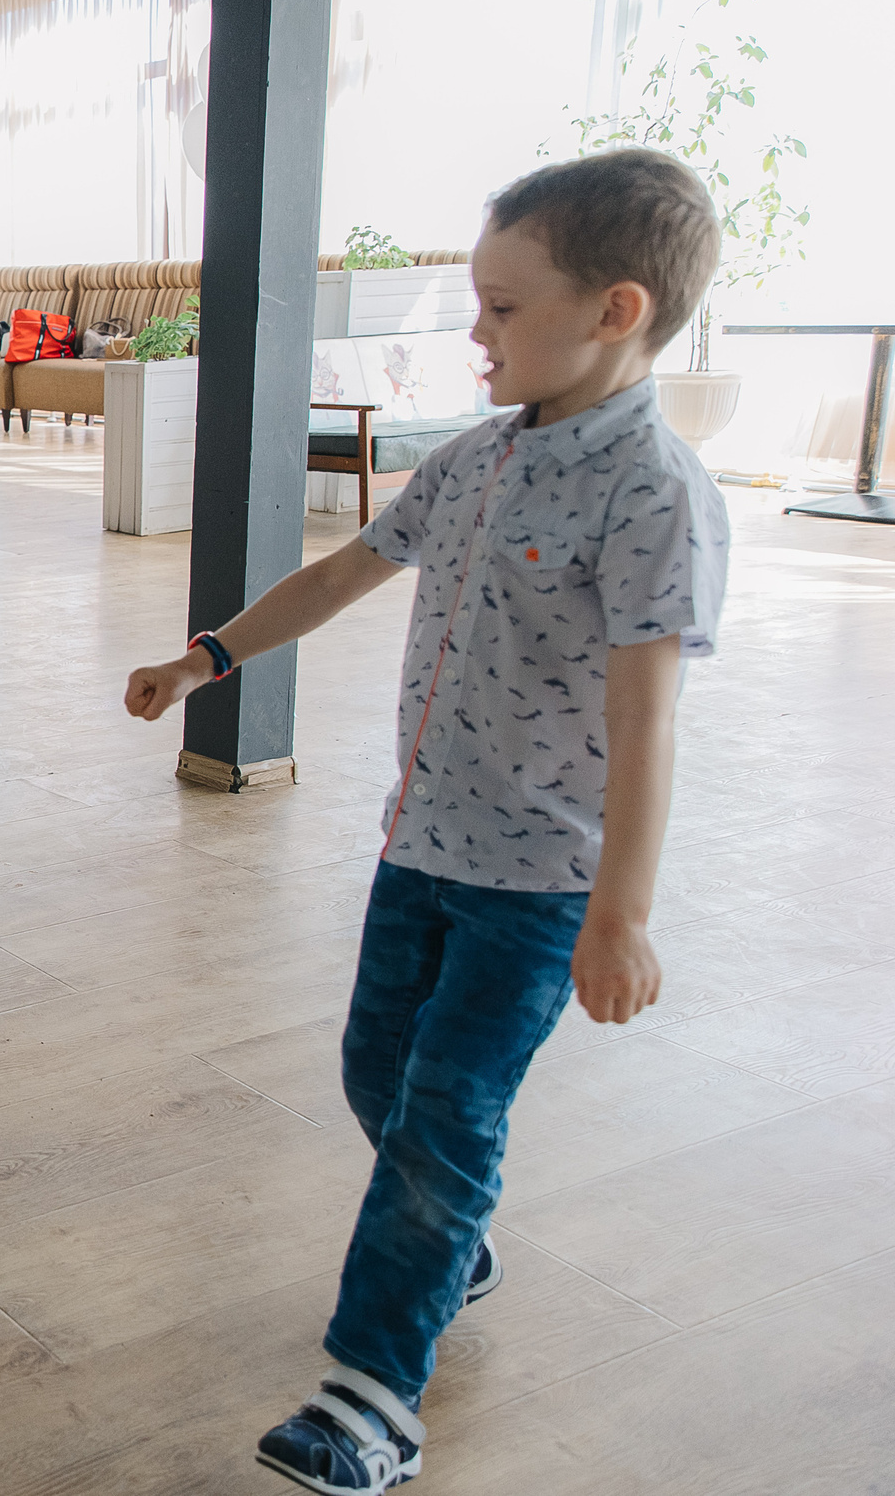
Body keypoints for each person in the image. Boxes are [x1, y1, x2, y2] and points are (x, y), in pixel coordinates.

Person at [124, 148, 730, 1496]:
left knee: (446, 1115)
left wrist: (622, 910)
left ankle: (372, 1396)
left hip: (539, 885)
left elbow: (648, 720)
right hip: (420, 846)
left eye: (504, 308)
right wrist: (207, 655)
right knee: (378, 1078)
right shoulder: (475, 459)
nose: (478, 331)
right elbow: (347, 570)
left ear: (614, 310)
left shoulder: (654, 492)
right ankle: (451, 1238)